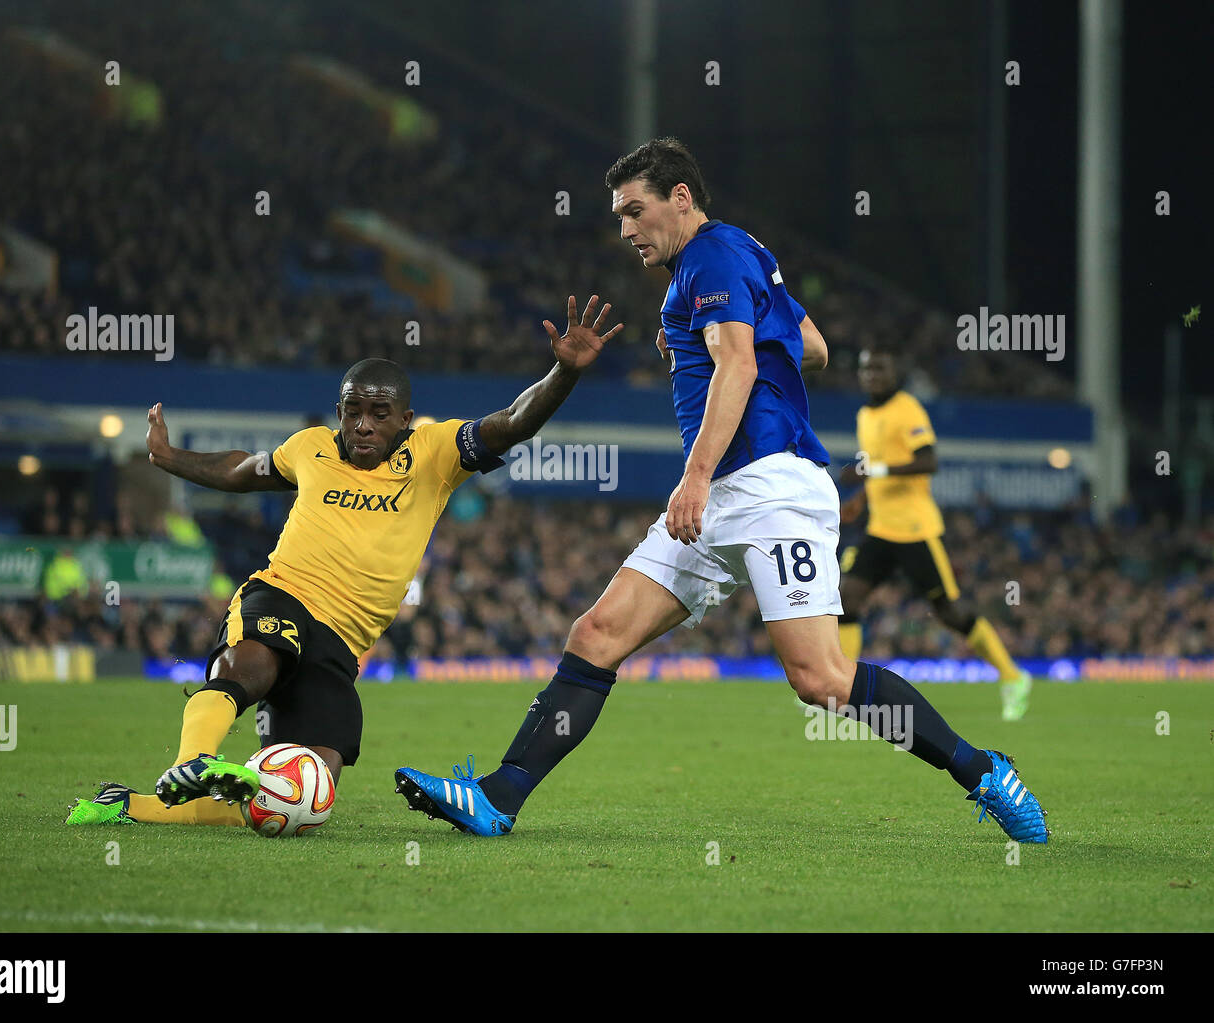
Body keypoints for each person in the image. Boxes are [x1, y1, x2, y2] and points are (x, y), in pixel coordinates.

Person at [396, 137, 1048, 844]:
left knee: (821, 677)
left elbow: (737, 363)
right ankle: (498, 796)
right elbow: (816, 347)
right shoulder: (737, 257)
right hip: (732, 492)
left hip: (771, 487)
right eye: (618, 217)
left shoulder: (710, 257)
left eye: (634, 210)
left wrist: (697, 471)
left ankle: (984, 771)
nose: (625, 230)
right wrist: (703, 342)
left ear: (681, 198)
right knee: (597, 632)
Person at [66, 295, 623, 827]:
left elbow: (514, 421)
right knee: (254, 663)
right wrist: (168, 457)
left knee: (308, 795)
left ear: (403, 418)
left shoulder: (435, 451)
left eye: (379, 414)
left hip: (342, 642)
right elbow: (242, 471)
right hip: (283, 593)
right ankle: (191, 762)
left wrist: (565, 373)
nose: (363, 425)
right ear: (339, 411)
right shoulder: (309, 446)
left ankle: (129, 805)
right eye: (352, 412)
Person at [837, 346, 1032, 721]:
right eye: (865, 369)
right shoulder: (865, 414)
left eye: (880, 367)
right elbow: (880, 466)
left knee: (949, 611)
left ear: (895, 372)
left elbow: (928, 461)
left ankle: (1013, 677)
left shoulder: (908, 409)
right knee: (848, 598)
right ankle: (843, 689)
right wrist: (862, 498)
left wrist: (871, 474)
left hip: (915, 530)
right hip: (880, 528)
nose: (872, 375)